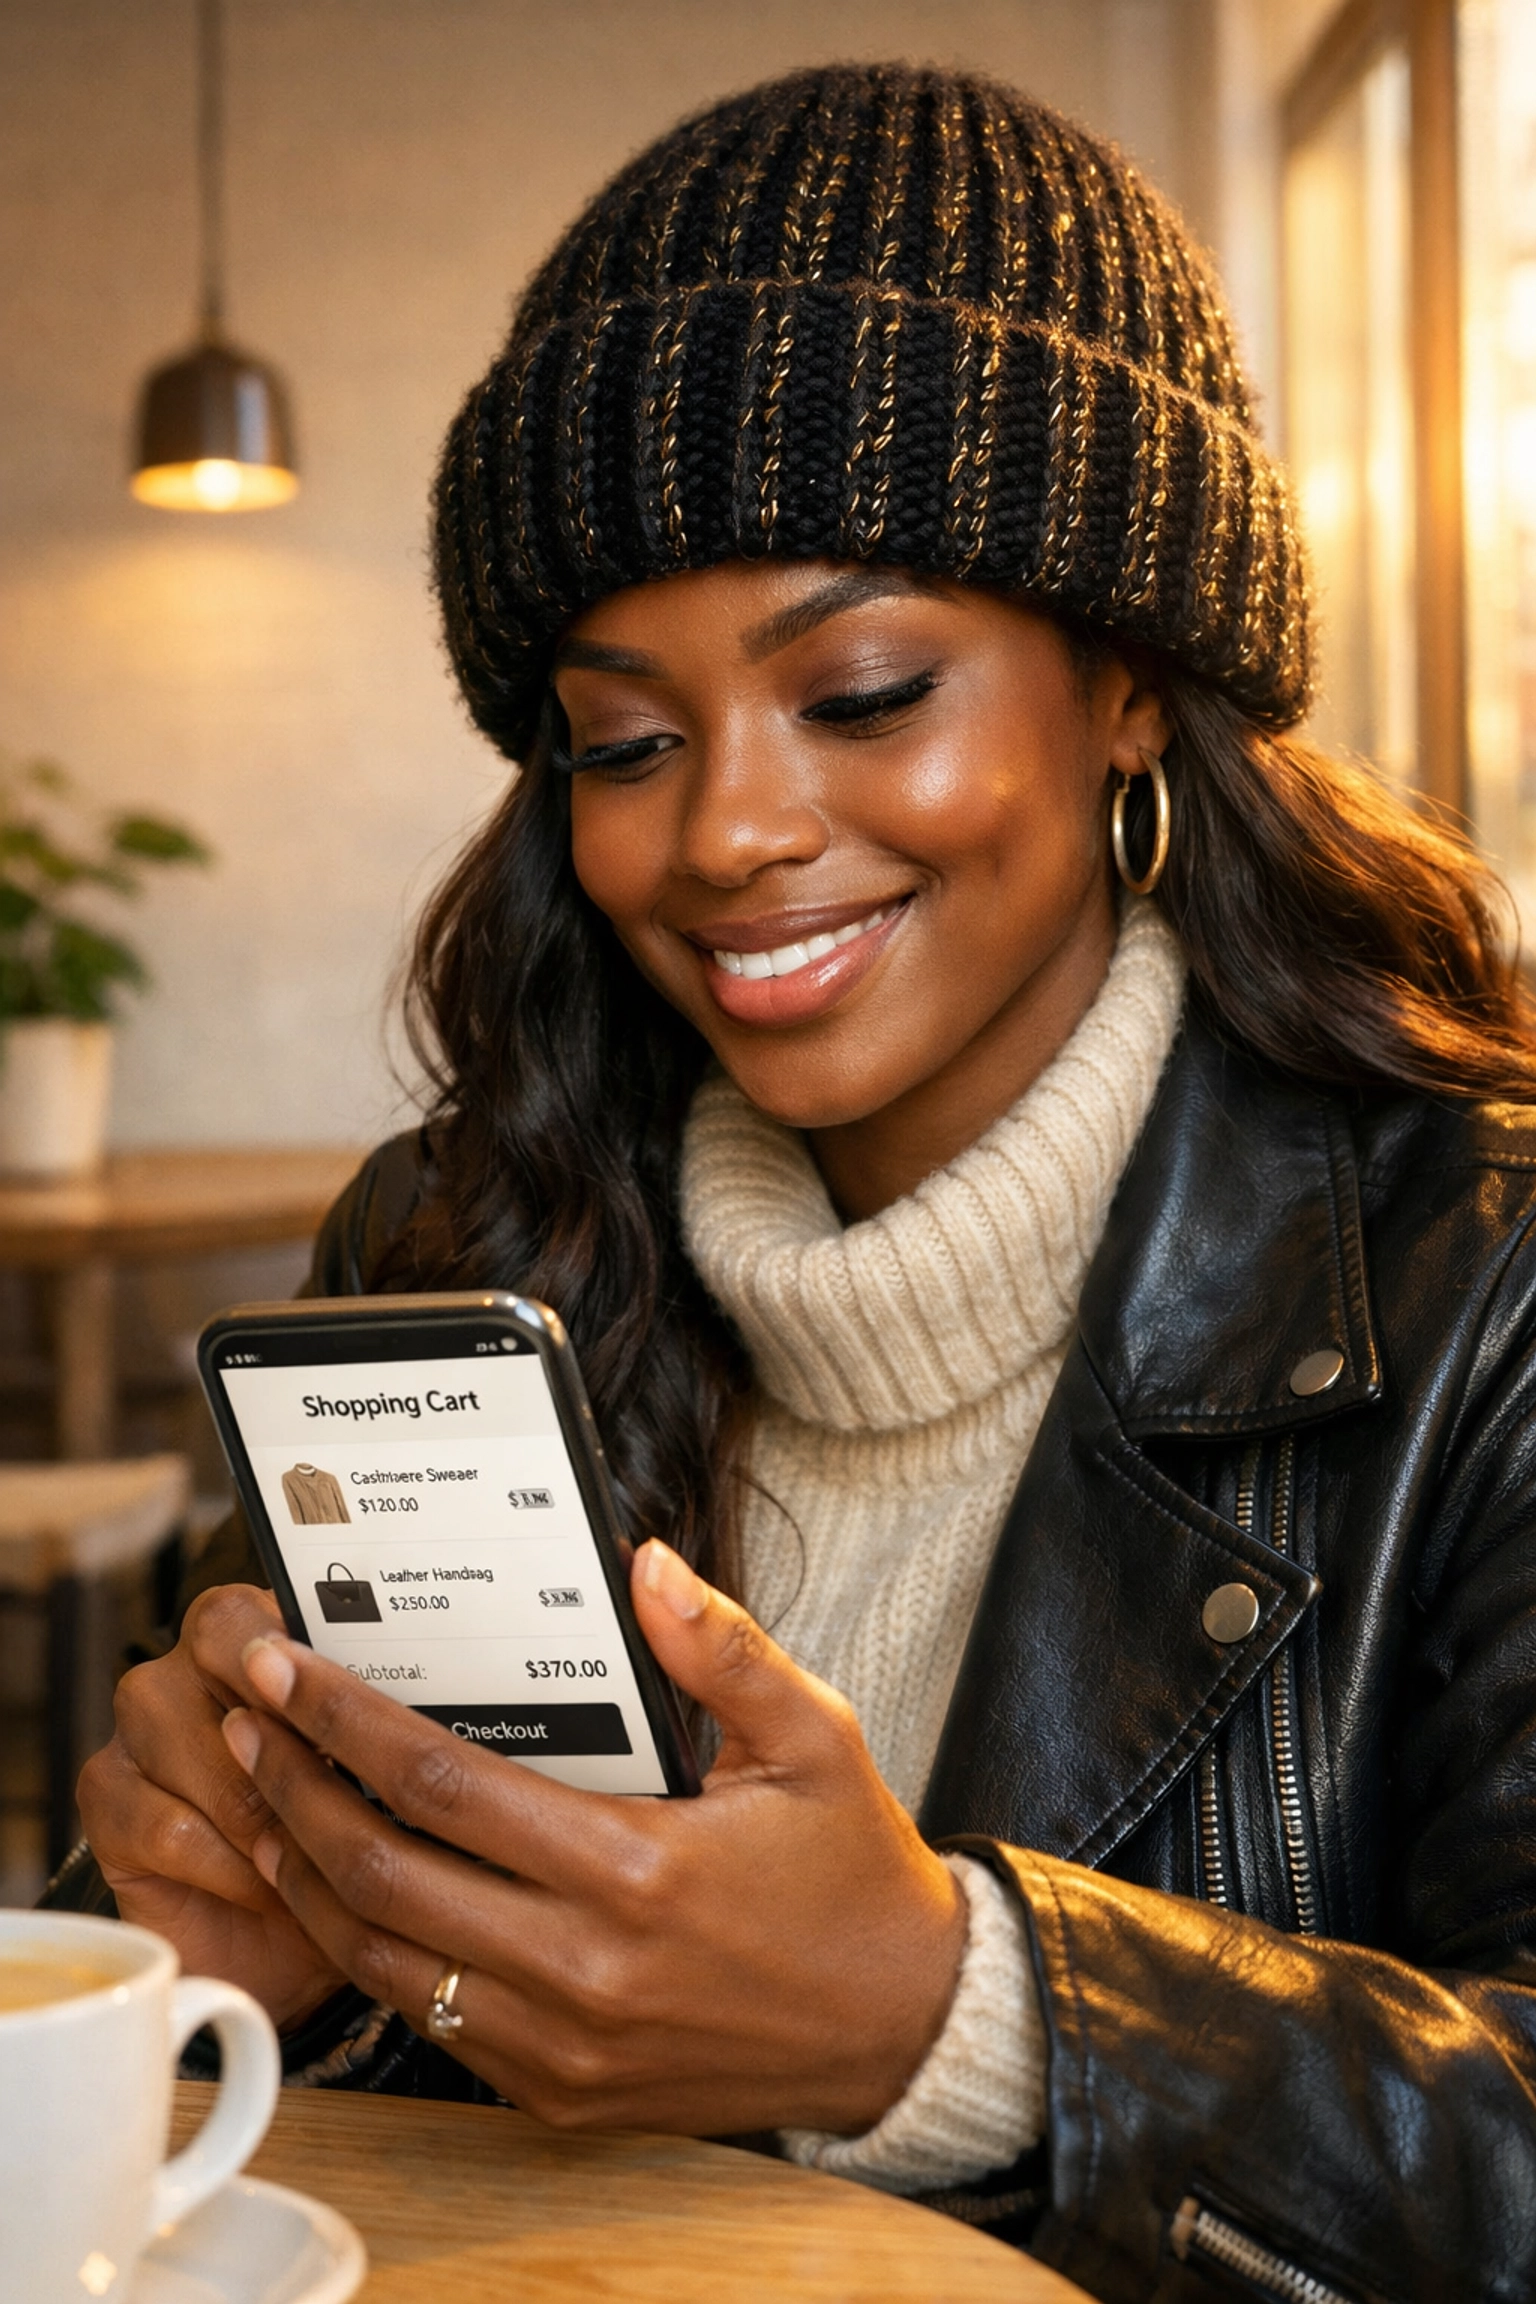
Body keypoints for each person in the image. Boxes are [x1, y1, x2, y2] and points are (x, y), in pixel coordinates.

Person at [61, 63, 1536, 2302]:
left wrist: (962, 2012)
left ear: (1133, 681)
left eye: (859, 690)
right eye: (624, 740)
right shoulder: (453, 1252)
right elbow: (224, 2118)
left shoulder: (1482, 1279)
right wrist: (225, 1946)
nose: (726, 830)